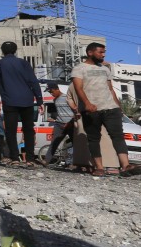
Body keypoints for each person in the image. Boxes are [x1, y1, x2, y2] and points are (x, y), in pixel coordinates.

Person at [71, 43, 141, 176]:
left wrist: (118, 106)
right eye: (100, 52)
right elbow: (78, 88)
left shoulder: (105, 69)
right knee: (93, 138)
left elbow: (110, 89)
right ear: (90, 52)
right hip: (91, 110)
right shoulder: (79, 68)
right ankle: (99, 168)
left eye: (104, 52)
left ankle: (125, 165)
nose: (103, 55)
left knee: (118, 136)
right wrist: (87, 104)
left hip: (111, 108)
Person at [0, 41, 44, 166]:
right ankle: (29, 159)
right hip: (27, 100)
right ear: (15, 51)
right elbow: (33, 81)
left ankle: (14, 158)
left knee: (10, 130)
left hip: (10, 101)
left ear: (2, 51)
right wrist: (39, 99)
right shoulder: (24, 63)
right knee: (28, 129)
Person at [44, 81, 78, 166]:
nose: (51, 93)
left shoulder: (67, 98)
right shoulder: (55, 100)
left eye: (51, 91)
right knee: (55, 142)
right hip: (59, 124)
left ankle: (77, 162)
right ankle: (47, 160)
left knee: (75, 143)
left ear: (57, 89)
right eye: (49, 92)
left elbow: (75, 110)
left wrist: (72, 121)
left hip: (70, 124)